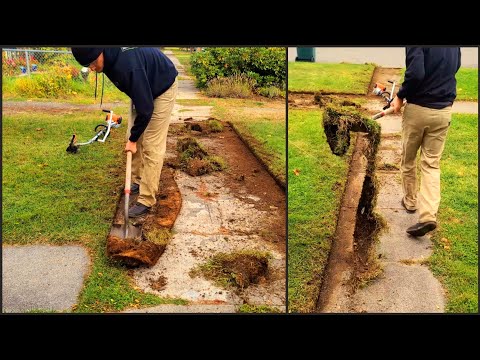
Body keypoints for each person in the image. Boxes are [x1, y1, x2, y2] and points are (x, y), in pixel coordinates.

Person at [71, 47, 178, 217]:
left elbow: (146, 109)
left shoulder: (126, 66)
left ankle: (146, 199)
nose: (91, 68)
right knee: (132, 135)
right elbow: (139, 97)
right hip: (143, 83)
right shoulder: (107, 60)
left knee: (151, 144)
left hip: (162, 85)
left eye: (91, 62)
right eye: (86, 64)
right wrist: (133, 138)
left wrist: (134, 140)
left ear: (100, 53)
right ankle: (136, 180)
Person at [390, 47, 461, 237]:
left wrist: (399, 96)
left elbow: (416, 73)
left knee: (409, 158)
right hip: (443, 111)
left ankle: (411, 201)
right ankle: (428, 215)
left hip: (418, 110)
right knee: (431, 164)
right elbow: (456, 66)